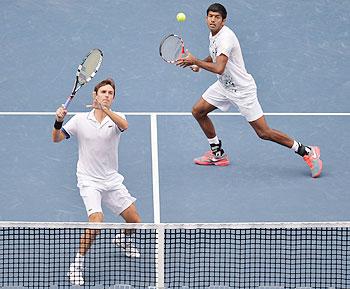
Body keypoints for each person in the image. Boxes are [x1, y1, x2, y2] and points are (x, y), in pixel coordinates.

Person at [176, 3, 322, 178]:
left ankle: (306, 151)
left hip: (242, 91)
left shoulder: (226, 38)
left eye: (217, 17)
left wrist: (196, 62)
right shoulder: (214, 35)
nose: (213, 20)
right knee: (198, 111)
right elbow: (216, 56)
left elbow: (219, 68)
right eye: (210, 16)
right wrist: (198, 62)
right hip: (224, 86)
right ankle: (218, 154)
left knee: (263, 133)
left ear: (224, 21)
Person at [52, 78, 141, 285]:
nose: (107, 95)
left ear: (113, 98)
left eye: (110, 93)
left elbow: (124, 125)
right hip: (89, 180)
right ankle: (76, 265)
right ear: (95, 94)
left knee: (135, 221)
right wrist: (58, 121)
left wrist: (105, 110)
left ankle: (122, 239)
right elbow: (56, 138)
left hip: (111, 181)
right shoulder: (79, 120)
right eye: (103, 92)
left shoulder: (117, 118)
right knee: (96, 223)